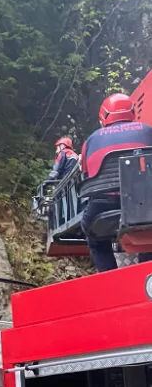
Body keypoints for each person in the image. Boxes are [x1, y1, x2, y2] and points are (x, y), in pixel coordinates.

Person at [80, 93, 152, 272]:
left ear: (103, 115)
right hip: (143, 202)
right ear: (132, 112)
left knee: (95, 239)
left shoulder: (90, 141)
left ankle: (110, 279)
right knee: (149, 233)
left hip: (103, 206)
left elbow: (86, 175)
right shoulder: (147, 130)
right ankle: (146, 272)